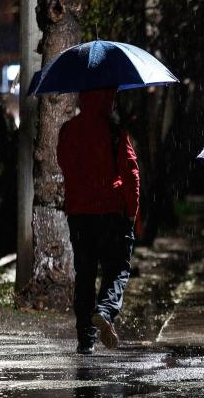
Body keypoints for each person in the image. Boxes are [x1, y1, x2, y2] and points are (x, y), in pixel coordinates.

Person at [57, 88, 140, 355]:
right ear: (109, 100)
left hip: (80, 214)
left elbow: (65, 165)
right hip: (112, 212)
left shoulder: (69, 130)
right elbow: (131, 172)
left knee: (85, 274)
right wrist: (132, 211)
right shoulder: (115, 131)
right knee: (117, 269)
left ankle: (86, 339)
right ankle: (104, 310)